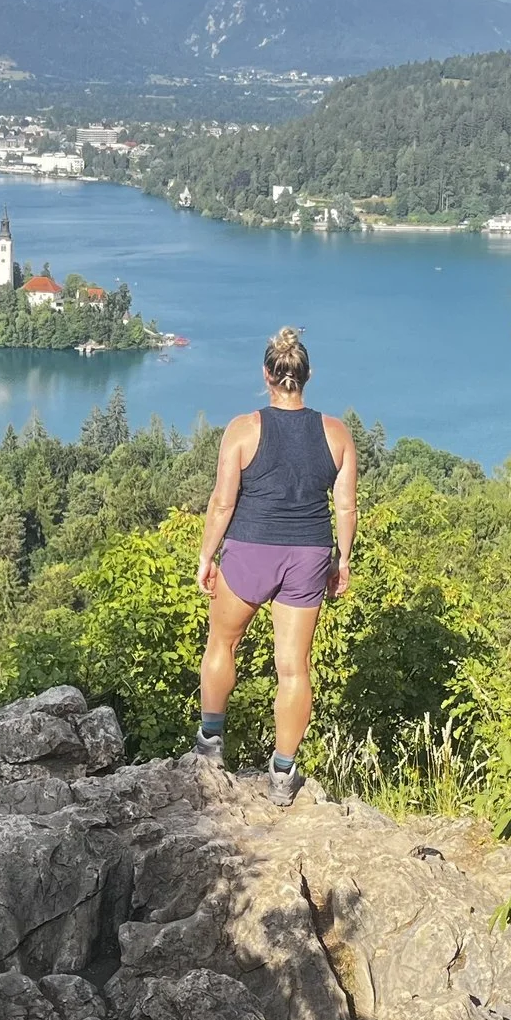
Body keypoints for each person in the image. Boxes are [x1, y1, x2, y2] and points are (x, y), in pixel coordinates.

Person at [192, 327, 358, 806]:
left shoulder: (244, 429)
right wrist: (342, 560)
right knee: (293, 669)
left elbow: (224, 502)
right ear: (307, 377)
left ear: (266, 375)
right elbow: (345, 508)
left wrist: (207, 554)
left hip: (250, 549)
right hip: (308, 554)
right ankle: (282, 776)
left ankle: (210, 746)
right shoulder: (336, 433)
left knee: (223, 642)